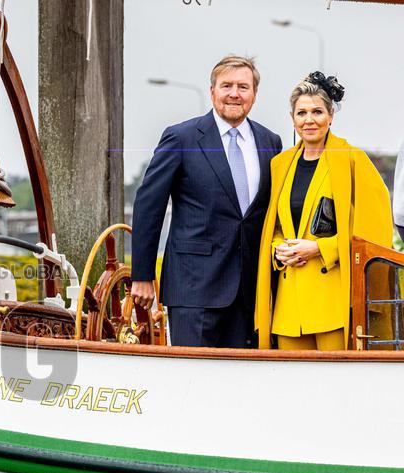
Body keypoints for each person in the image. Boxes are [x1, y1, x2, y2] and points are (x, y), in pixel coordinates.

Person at [131, 56, 283, 348]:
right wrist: (142, 274)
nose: (234, 94)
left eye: (243, 86)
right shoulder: (181, 137)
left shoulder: (270, 141)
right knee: (194, 382)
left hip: (251, 293)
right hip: (194, 290)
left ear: (254, 94)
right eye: (226, 85)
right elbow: (149, 205)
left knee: (243, 384)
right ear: (212, 91)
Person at [254, 73, 394, 351]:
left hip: (334, 304)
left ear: (331, 115)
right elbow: (276, 225)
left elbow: (375, 231)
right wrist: (278, 247)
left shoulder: (353, 159)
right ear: (292, 118)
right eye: (301, 113)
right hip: (288, 307)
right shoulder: (280, 164)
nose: (309, 120)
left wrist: (320, 249)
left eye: (317, 111)